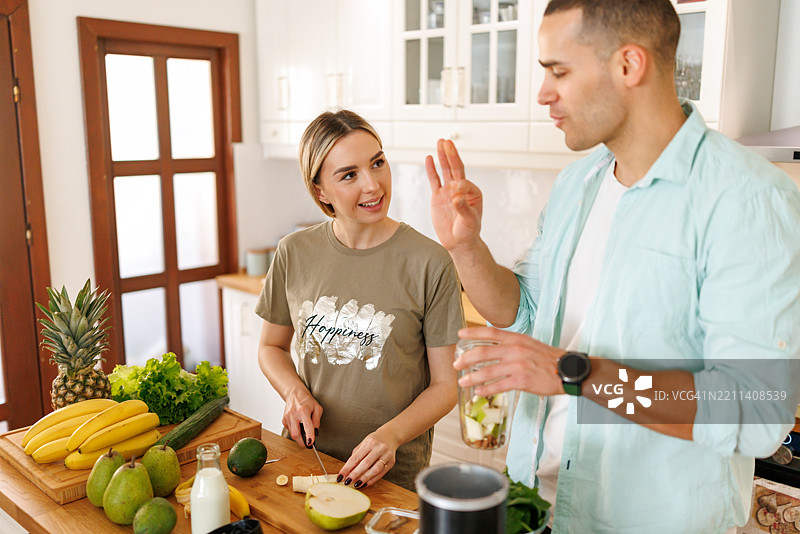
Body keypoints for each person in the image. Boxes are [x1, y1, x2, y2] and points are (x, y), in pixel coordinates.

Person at [426, 0, 800, 532]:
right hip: (537, 504)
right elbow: (525, 311)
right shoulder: (576, 184)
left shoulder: (745, 200)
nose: (542, 94)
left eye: (559, 71)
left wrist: (575, 377)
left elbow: (755, 409)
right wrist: (466, 247)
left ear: (628, 65)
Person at [256, 109, 463, 491]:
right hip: (307, 458)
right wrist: (294, 393)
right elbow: (271, 346)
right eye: (349, 175)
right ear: (320, 191)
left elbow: (445, 386)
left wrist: (391, 437)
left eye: (377, 163)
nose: (373, 185)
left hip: (390, 471)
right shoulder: (294, 251)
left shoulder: (429, 262)